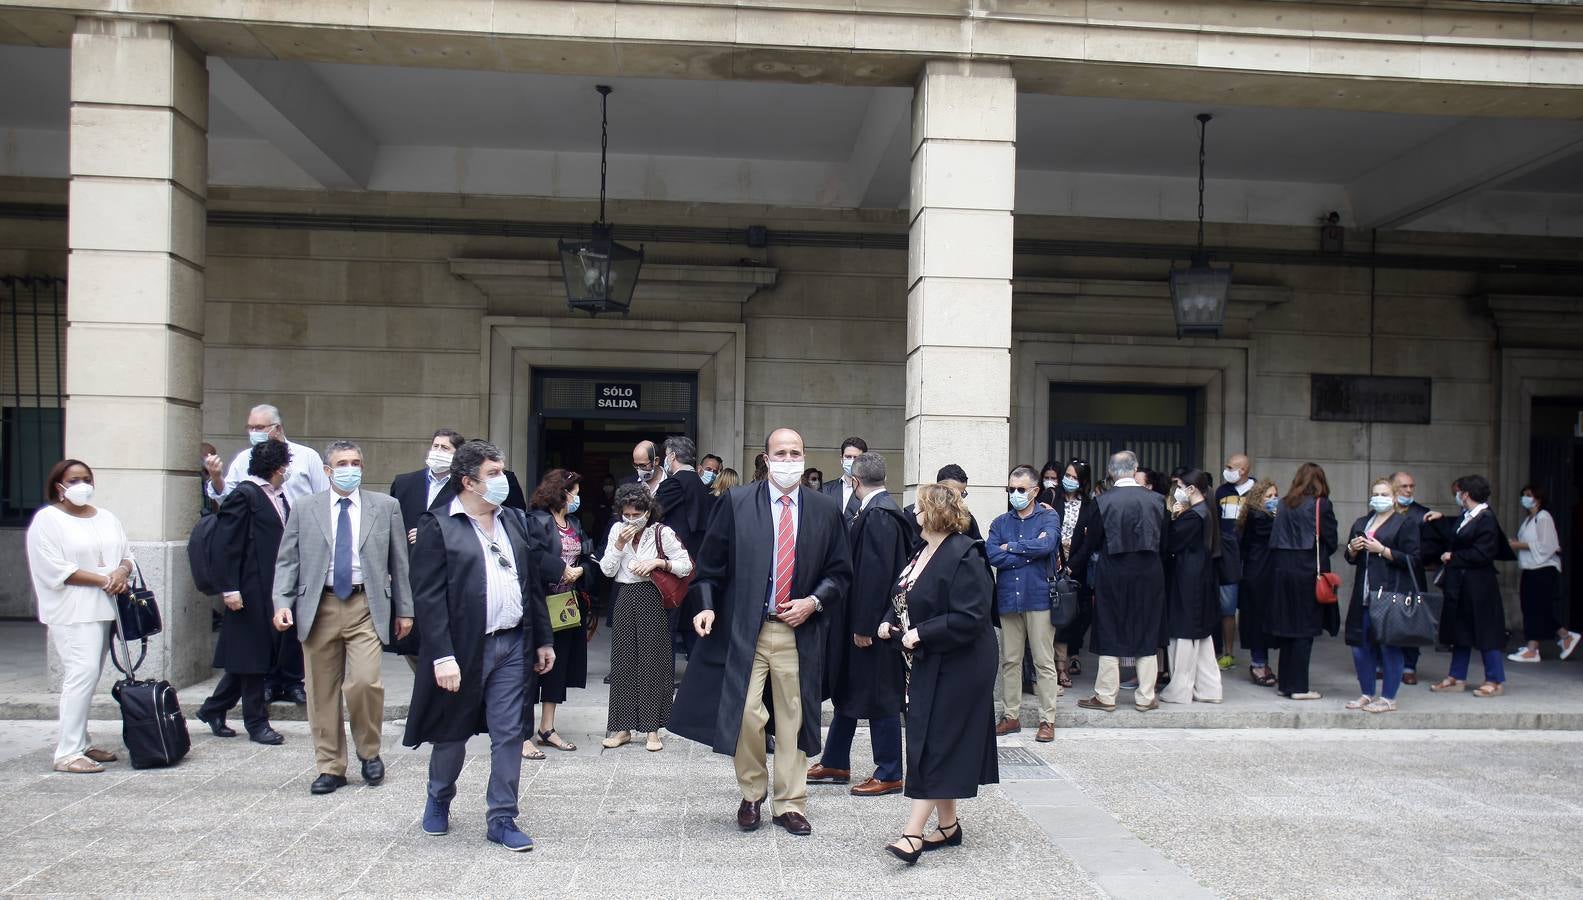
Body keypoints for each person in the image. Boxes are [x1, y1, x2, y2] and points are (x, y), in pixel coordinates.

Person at [671, 427, 852, 837]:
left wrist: (814, 601)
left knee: (794, 717)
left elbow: (840, 572)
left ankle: (790, 803)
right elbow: (709, 567)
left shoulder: (824, 510)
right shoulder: (736, 503)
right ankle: (752, 791)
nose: (789, 460)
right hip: (745, 631)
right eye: (781, 453)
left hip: (797, 631)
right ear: (766, 460)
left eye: (795, 452)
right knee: (746, 713)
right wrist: (705, 607)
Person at [404, 440, 555, 852]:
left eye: (502, 471)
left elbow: (531, 585)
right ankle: (439, 798)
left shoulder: (514, 522)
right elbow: (429, 600)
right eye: (493, 473)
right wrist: (442, 656)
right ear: (468, 481)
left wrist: (542, 638)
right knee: (452, 734)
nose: (503, 479)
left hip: (512, 645)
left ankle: (502, 818)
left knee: (510, 734)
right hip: (463, 649)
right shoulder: (438, 525)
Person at [270, 441, 413, 794]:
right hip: (319, 606)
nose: (351, 468)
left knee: (365, 682)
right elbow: (288, 560)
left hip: (365, 605)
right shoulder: (305, 508)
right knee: (321, 691)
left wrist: (406, 610)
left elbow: (400, 562)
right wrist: (281, 602)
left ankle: (369, 751)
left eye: (356, 462)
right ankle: (330, 766)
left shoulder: (386, 506)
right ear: (328, 470)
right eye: (342, 463)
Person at [877, 483, 998, 865]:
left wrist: (922, 632)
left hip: (961, 664)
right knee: (933, 737)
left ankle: (912, 834)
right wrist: (887, 622)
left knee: (936, 742)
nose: (914, 514)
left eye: (919, 508)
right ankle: (948, 826)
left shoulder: (966, 554)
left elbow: (971, 616)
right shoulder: (921, 551)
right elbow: (903, 596)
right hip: (927, 659)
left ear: (936, 513)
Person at [206, 404, 325, 706]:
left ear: (277, 427)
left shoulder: (306, 457)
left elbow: (323, 498)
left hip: (300, 546)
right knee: (266, 624)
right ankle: (265, 684)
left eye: (260, 427)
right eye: (251, 428)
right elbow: (226, 501)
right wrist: (216, 477)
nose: (254, 433)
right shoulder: (245, 464)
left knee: (295, 616)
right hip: (260, 554)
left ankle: (291, 678)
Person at [811, 452, 911, 796]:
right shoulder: (880, 510)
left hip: (873, 626)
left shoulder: (880, 515)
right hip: (866, 620)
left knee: (880, 694)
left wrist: (865, 626)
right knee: (850, 690)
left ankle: (890, 771)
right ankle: (836, 760)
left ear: (855, 482)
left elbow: (875, 575)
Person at [25, 459, 133, 774]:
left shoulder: (106, 517)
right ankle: (68, 752)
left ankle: (81, 742)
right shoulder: (48, 520)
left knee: (90, 676)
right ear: (58, 486)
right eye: (73, 480)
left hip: (105, 608)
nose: (81, 485)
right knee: (80, 675)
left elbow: (127, 554)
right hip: (73, 610)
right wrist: (103, 579)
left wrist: (121, 571)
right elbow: (54, 568)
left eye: (86, 478)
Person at [197, 439, 293, 745]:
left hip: (269, 587)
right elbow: (227, 545)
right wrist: (229, 588)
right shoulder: (245, 495)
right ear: (279, 468)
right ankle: (256, 721)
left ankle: (213, 708)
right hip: (248, 588)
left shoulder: (275, 495)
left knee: (249, 655)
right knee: (253, 658)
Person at [598, 483, 691, 752]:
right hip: (625, 595)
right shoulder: (618, 531)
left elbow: (686, 565)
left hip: (653, 597)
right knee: (623, 662)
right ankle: (622, 728)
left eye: (636, 515)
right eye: (625, 515)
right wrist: (618, 544)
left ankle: (652, 729)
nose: (630, 520)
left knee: (653, 661)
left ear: (648, 512)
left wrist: (659, 563)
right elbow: (606, 570)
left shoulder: (662, 533)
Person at [1078, 451, 1166, 713]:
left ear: (1110, 471)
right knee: (1147, 627)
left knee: (1109, 626)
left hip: (1113, 571)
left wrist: (1072, 566)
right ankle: (1146, 695)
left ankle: (1106, 695)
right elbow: (1166, 542)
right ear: (1135, 468)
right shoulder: (1158, 500)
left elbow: (1091, 542)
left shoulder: (1102, 501)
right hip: (1150, 571)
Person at [986, 465, 1062, 741]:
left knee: (1043, 660)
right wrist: (1030, 550)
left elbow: (1048, 545)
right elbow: (993, 555)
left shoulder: (1048, 518)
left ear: (1035, 491)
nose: (1015, 494)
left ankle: (1047, 719)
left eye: (1021, 489)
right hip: (1008, 596)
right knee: (1010, 660)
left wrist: (1013, 548)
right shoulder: (1000, 522)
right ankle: (1011, 715)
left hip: (1039, 595)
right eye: (1011, 489)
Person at [387, 427, 466, 666]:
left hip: (446, 573)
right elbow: (389, 527)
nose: (438, 452)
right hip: (408, 572)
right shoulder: (405, 483)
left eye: (445, 448)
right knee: (410, 638)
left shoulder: (462, 488)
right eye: (435, 446)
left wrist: (432, 534)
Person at [1341, 477, 1420, 713]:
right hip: (1363, 592)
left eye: (1385, 494)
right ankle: (1366, 693)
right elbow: (1349, 557)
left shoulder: (1405, 524)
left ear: (1394, 498)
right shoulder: (1362, 522)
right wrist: (1352, 549)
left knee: (1389, 646)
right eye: (1376, 494)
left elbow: (1413, 560)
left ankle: (1388, 698)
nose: (1379, 498)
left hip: (1389, 593)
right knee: (1360, 645)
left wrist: (1382, 550)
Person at [525, 469, 590, 754]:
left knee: (557, 668)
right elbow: (532, 556)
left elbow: (588, 554)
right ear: (561, 492)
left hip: (566, 605)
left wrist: (582, 571)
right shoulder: (536, 521)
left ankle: (547, 727)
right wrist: (560, 569)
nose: (577, 497)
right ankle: (522, 734)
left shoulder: (574, 522)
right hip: (540, 603)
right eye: (574, 491)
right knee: (530, 669)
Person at [1429, 475, 1510, 697]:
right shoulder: (1468, 515)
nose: (1457, 496)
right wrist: (1441, 519)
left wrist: (1452, 556)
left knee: (1486, 630)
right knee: (1460, 629)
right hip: (1461, 584)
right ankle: (1456, 676)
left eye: (1459, 492)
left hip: (1479, 584)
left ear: (1465, 494)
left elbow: (1483, 552)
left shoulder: (1486, 519)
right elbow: (1460, 532)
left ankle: (1494, 679)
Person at [1267, 462, 1338, 701]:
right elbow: (1331, 538)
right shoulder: (1321, 504)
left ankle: (1285, 683)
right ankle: (1299, 687)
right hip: (1308, 573)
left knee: (1288, 630)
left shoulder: (1284, 503)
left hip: (1281, 571)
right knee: (1304, 632)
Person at [1159, 469, 1223, 705]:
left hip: (1188, 580)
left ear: (1191, 489)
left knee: (1184, 635)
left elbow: (1170, 541)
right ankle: (1209, 689)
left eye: (1178, 485)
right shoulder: (1205, 511)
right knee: (1202, 638)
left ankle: (1180, 690)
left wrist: (1171, 517)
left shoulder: (1193, 516)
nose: (1176, 490)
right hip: (1198, 579)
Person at [1508, 484, 1578, 663]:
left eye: (1529, 495)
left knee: (1536, 609)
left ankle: (1533, 648)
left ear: (1538, 498)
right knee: (1534, 608)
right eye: (1523, 494)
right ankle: (1565, 636)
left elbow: (1546, 545)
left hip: (1543, 569)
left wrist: (1518, 545)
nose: (1525, 498)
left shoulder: (1543, 517)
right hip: (1531, 568)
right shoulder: (1529, 520)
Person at [1052, 458, 1100, 687]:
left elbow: (1090, 542)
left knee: (1069, 617)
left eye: (1074, 477)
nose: (1069, 480)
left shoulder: (1091, 506)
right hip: (1051, 564)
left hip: (1075, 569)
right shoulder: (1050, 498)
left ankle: (1064, 664)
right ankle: (1051, 667)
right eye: (1067, 475)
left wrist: (1071, 566)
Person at [1391, 470, 1433, 684]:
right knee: (1387, 619)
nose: (1408, 490)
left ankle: (1409, 666)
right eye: (1403, 486)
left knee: (1411, 620)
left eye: (1411, 486)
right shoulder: (1385, 512)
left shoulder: (1422, 514)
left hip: (1411, 575)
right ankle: (1386, 663)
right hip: (1388, 575)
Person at [1214, 453, 1255, 670]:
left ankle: (1259, 657)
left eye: (1230, 467)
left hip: (1251, 558)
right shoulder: (1221, 492)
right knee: (1227, 608)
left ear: (1243, 470)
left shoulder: (1257, 492)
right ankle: (1228, 652)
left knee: (1252, 607)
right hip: (1227, 558)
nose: (1226, 470)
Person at [1240, 479, 1281, 687]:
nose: (1274, 500)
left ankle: (1261, 663)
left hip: (1261, 573)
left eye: (1275, 496)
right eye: (1269, 496)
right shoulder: (1259, 517)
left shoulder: (1259, 516)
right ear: (1259, 499)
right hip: (1258, 575)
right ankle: (1258, 664)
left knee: (1262, 622)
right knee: (1258, 622)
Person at [904, 464, 984, 545]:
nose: (958, 499)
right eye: (952, 494)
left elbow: (978, 547)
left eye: (962, 494)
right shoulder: (912, 515)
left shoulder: (965, 517)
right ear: (938, 489)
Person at [823, 436, 867, 523]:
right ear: (841, 459)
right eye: (848, 457)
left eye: (856, 457)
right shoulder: (826, 489)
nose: (852, 461)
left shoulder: (869, 491)